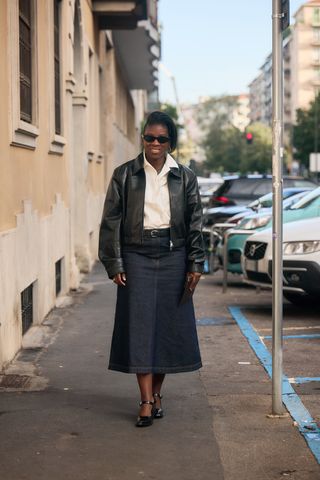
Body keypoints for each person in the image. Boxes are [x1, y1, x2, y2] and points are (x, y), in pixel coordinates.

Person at [98, 111, 205, 428]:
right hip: (136, 255)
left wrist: (195, 263)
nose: (154, 143)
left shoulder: (185, 177)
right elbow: (111, 222)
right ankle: (145, 401)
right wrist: (114, 261)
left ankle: (157, 394)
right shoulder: (124, 174)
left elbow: (195, 224)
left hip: (174, 255)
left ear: (170, 142)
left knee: (166, 330)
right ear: (142, 139)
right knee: (141, 328)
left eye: (161, 139)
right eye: (149, 137)